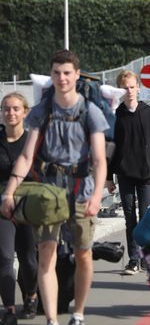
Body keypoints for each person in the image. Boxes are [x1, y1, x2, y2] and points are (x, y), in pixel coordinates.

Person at [0, 50, 108, 325]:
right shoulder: (42, 111)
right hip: (49, 193)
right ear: (51, 75)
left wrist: (97, 196)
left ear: (76, 75)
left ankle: (79, 313)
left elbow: (98, 159)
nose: (62, 78)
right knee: (45, 252)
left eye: (67, 73)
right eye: (57, 73)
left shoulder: (90, 111)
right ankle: (51, 319)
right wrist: (10, 190)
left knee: (83, 254)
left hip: (82, 191)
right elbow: (26, 156)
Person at [106, 70, 150, 275]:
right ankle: (133, 259)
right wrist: (108, 177)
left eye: (132, 87)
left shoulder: (149, 114)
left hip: (146, 174)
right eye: (125, 88)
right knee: (130, 218)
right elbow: (111, 149)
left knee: (145, 218)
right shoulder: (116, 116)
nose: (129, 91)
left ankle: (146, 257)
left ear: (139, 88)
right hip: (124, 174)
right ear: (119, 91)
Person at [0, 93, 38, 324]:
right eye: (6, 109)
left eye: (15, 109)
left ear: (25, 112)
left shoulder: (31, 141)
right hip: (2, 206)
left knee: (29, 259)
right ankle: (10, 308)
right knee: (4, 257)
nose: (10, 113)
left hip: (28, 206)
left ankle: (31, 296)